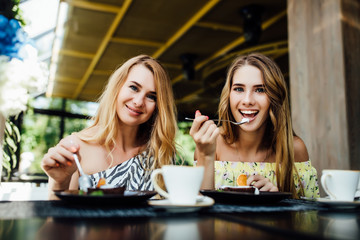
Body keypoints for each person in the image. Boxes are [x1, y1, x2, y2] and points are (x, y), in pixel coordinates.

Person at [41, 55, 178, 196]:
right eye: (134, 88)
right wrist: (59, 183)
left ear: (158, 106)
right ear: (117, 87)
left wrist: (202, 153)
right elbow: (57, 217)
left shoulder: (161, 152)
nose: (138, 101)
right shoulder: (75, 149)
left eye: (151, 97)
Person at [189, 53, 319, 198]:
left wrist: (276, 201)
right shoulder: (212, 144)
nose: (247, 100)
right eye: (239, 89)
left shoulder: (294, 149)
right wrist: (205, 155)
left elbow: (310, 218)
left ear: (274, 98)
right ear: (229, 95)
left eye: (260, 90)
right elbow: (200, 213)